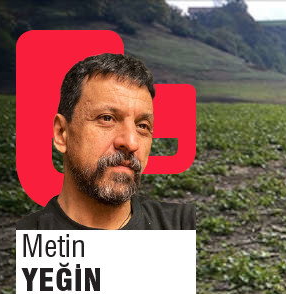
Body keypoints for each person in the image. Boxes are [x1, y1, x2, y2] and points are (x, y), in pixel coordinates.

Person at [18, 53, 194, 231]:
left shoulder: (182, 226)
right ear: (62, 133)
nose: (131, 143)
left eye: (142, 125)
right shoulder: (29, 239)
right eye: (107, 118)